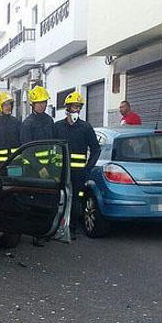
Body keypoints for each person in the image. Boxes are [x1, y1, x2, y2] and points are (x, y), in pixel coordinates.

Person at [54, 91, 101, 238]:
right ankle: (57, 227)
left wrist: (88, 168)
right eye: (74, 107)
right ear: (67, 108)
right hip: (61, 171)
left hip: (78, 174)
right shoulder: (58, 127)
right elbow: (51, 148)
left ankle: (71, 228)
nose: (77, 110)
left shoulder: (85, 128)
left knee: (76, 201)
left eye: (79, 107)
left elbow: (96, 149)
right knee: (60, 199)